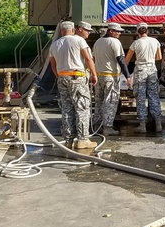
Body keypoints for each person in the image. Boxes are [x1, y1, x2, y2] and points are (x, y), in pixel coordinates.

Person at [48, 20, 98, 150]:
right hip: (77, 77)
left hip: (62, 77)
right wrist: (94, 74)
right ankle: (82, 139)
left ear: (61, 31)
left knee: (67, 109)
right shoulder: (78, 40)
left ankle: (68, 139)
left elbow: (53, 66)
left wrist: (60, 76)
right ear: (73, 30)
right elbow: (88, 59)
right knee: (82, 108)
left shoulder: (54, 45)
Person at [91, 22, 131, 135]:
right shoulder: (115, 42)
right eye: (117, 31)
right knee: (110, 101)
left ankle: (96, 125)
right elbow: (121, 60)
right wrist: (127, 76)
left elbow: (93, 58)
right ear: (111, 31)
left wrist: (92, 73)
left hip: (99, 76)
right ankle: (107, 127)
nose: (119, 34)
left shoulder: (98, 42)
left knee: (99, 101)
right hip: (111, 77)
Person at [125, 23, 163, 134]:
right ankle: (158, 124)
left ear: (138, 32)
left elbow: (127, 60)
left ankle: (142, 125)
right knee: (154, 96)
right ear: (148, 31)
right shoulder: (155, 41)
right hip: (152, 69)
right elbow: (159, 57)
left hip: (140, 70)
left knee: (140, 97)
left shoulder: (136, 43)